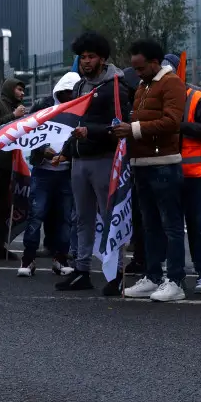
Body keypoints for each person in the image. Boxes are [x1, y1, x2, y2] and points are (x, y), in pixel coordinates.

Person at [115, 40, 187, 302]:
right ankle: (154, 276)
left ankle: (176, 280)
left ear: (155, 62)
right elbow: (141, 121)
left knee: (171, 225)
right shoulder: (143, 86)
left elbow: (172, 122)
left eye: (140, 67)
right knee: (149, 225)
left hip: (164, 164)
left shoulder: (172, 83)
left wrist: (132, 129)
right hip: (141, 164)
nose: (137, 73)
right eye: (134, 68)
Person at [61, 31, 132, 295]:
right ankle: (82, 271)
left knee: (111, 216)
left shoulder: (117, 87)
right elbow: (74, 122)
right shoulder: (80, 86)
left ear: (102, 59)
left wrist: (92, 132)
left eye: (91, 57)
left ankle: (117, 275)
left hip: (104, 160)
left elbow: (120, 125)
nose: (86, 61)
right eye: (82, 57)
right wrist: (68, 150)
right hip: (80, 160)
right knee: (82, 218)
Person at [164, 53, 201, 295]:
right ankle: (173, 277)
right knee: (171, 229)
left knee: (200, 227)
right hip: (166, 173)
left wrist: (180, 126)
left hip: (194, 174)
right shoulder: (157, 98)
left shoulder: (197, 97)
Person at [18, 71, 79, 277]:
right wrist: (42, 149)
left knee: (64, 218)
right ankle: (28, 260)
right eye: (65, 93)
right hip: (43, 171)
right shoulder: (43, 107)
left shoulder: (80, 110)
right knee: (36, 215)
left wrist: (67, 154)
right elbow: (28, 131)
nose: (69, 97)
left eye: (73, 93)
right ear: (58, 92)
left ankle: (60, 259)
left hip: (66, 172)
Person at [0, 78, 28, 260]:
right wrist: (14, 116)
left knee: (4, 208)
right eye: (19, 89)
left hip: (9, 165)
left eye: (23, 90)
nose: (22, 93)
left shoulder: (18, 108)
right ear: (9, 89)